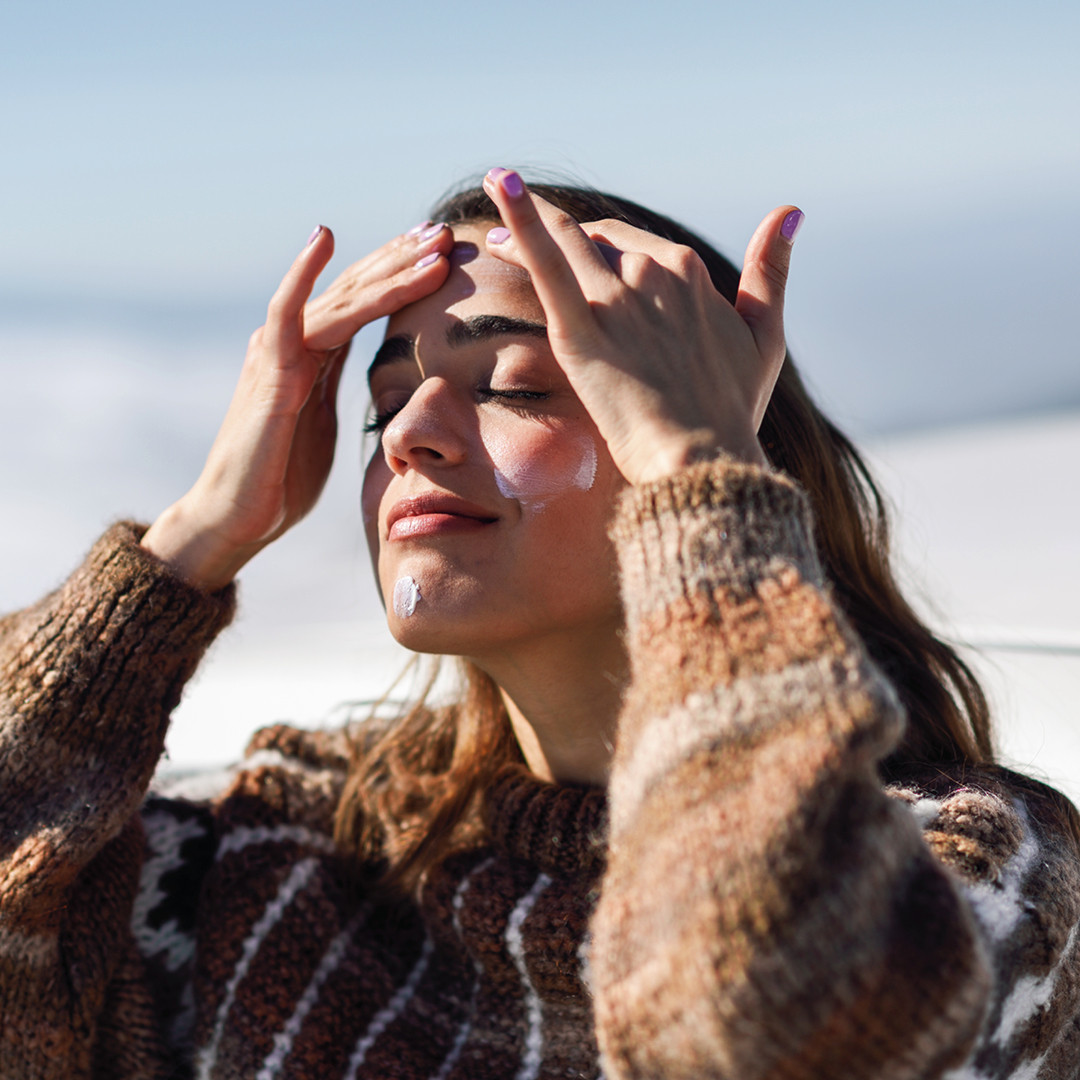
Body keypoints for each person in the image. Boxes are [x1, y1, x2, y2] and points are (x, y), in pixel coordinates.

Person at [1, 168, 1077, 1080]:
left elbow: (770, 1027)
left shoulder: (969, 871)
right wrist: (186, 545)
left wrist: (699, 480)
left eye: (513, 385)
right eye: (382, 405)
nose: (410, 434)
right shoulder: (296, 848)